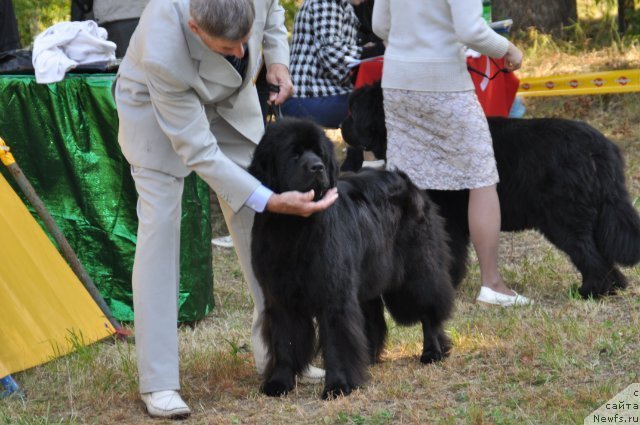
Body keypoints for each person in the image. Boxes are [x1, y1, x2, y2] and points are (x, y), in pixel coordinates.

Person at [114, 0, 338, 418]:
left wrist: (277, 61)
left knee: (261, 227)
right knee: (160, 232)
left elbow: (272, 15)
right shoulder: (164, 49)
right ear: (197, 30)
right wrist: (269, 197)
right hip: (157, 113)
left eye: (244, 42)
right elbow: (198, 150)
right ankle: (159, 382)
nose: (240, 54)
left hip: (231, 106)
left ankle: (281, 352)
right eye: (229, 47)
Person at [372, 0, 533, 307]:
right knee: (482, 177)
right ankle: (492, 285)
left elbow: (380, 25)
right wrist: (508, 49)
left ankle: (400, 280)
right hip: (445, 82)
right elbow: (471, 30)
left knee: (405, 180)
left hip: (397, 81)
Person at [281, 0, 384, 129]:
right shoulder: (327, 3)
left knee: (374, 102)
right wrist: (376, 50)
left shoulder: (341, 6)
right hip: (307, 98)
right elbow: (331, 53)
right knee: (377, 107)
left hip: (316, 94)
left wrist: (364, 50)